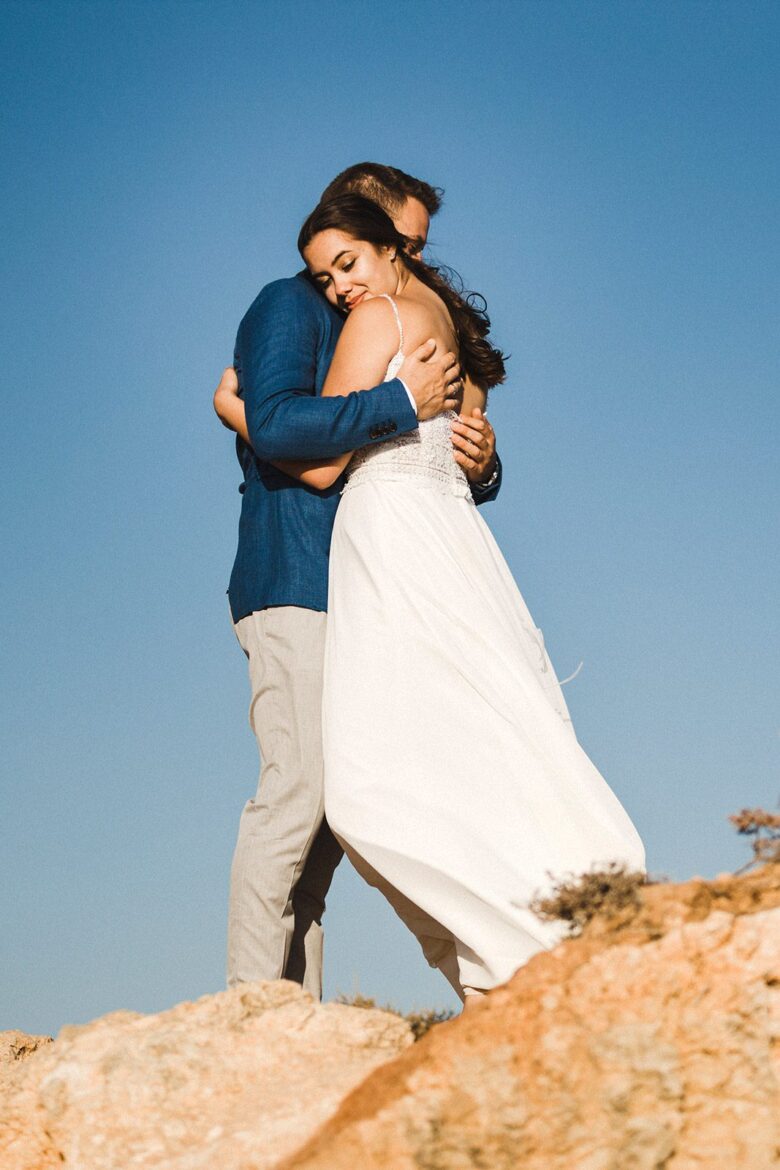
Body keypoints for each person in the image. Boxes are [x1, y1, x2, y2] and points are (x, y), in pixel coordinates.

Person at [218, 193, 646, 1002]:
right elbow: (324, 433)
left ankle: (284, 1008)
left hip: (389, 557)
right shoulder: (333, 309)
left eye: (354, 262)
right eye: (330, 269)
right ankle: (267, 1005)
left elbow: (326, 450)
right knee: (344, 787)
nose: (342, 284)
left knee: (357, 794)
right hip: (356, 571)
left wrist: (232, 407)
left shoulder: (385, 314)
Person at [217, 164, 502, 1001]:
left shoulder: (400, 314)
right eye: (403, 241)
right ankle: (248, 1008)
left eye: (412, 247)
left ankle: (294, 1013)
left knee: (341, 821)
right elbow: (273, 421)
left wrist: (482, 464)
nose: (412, 260)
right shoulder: (288, 305)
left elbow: (435, 446)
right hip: (299, 578)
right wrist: (398, 401)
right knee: (297, 794)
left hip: (374, 590)